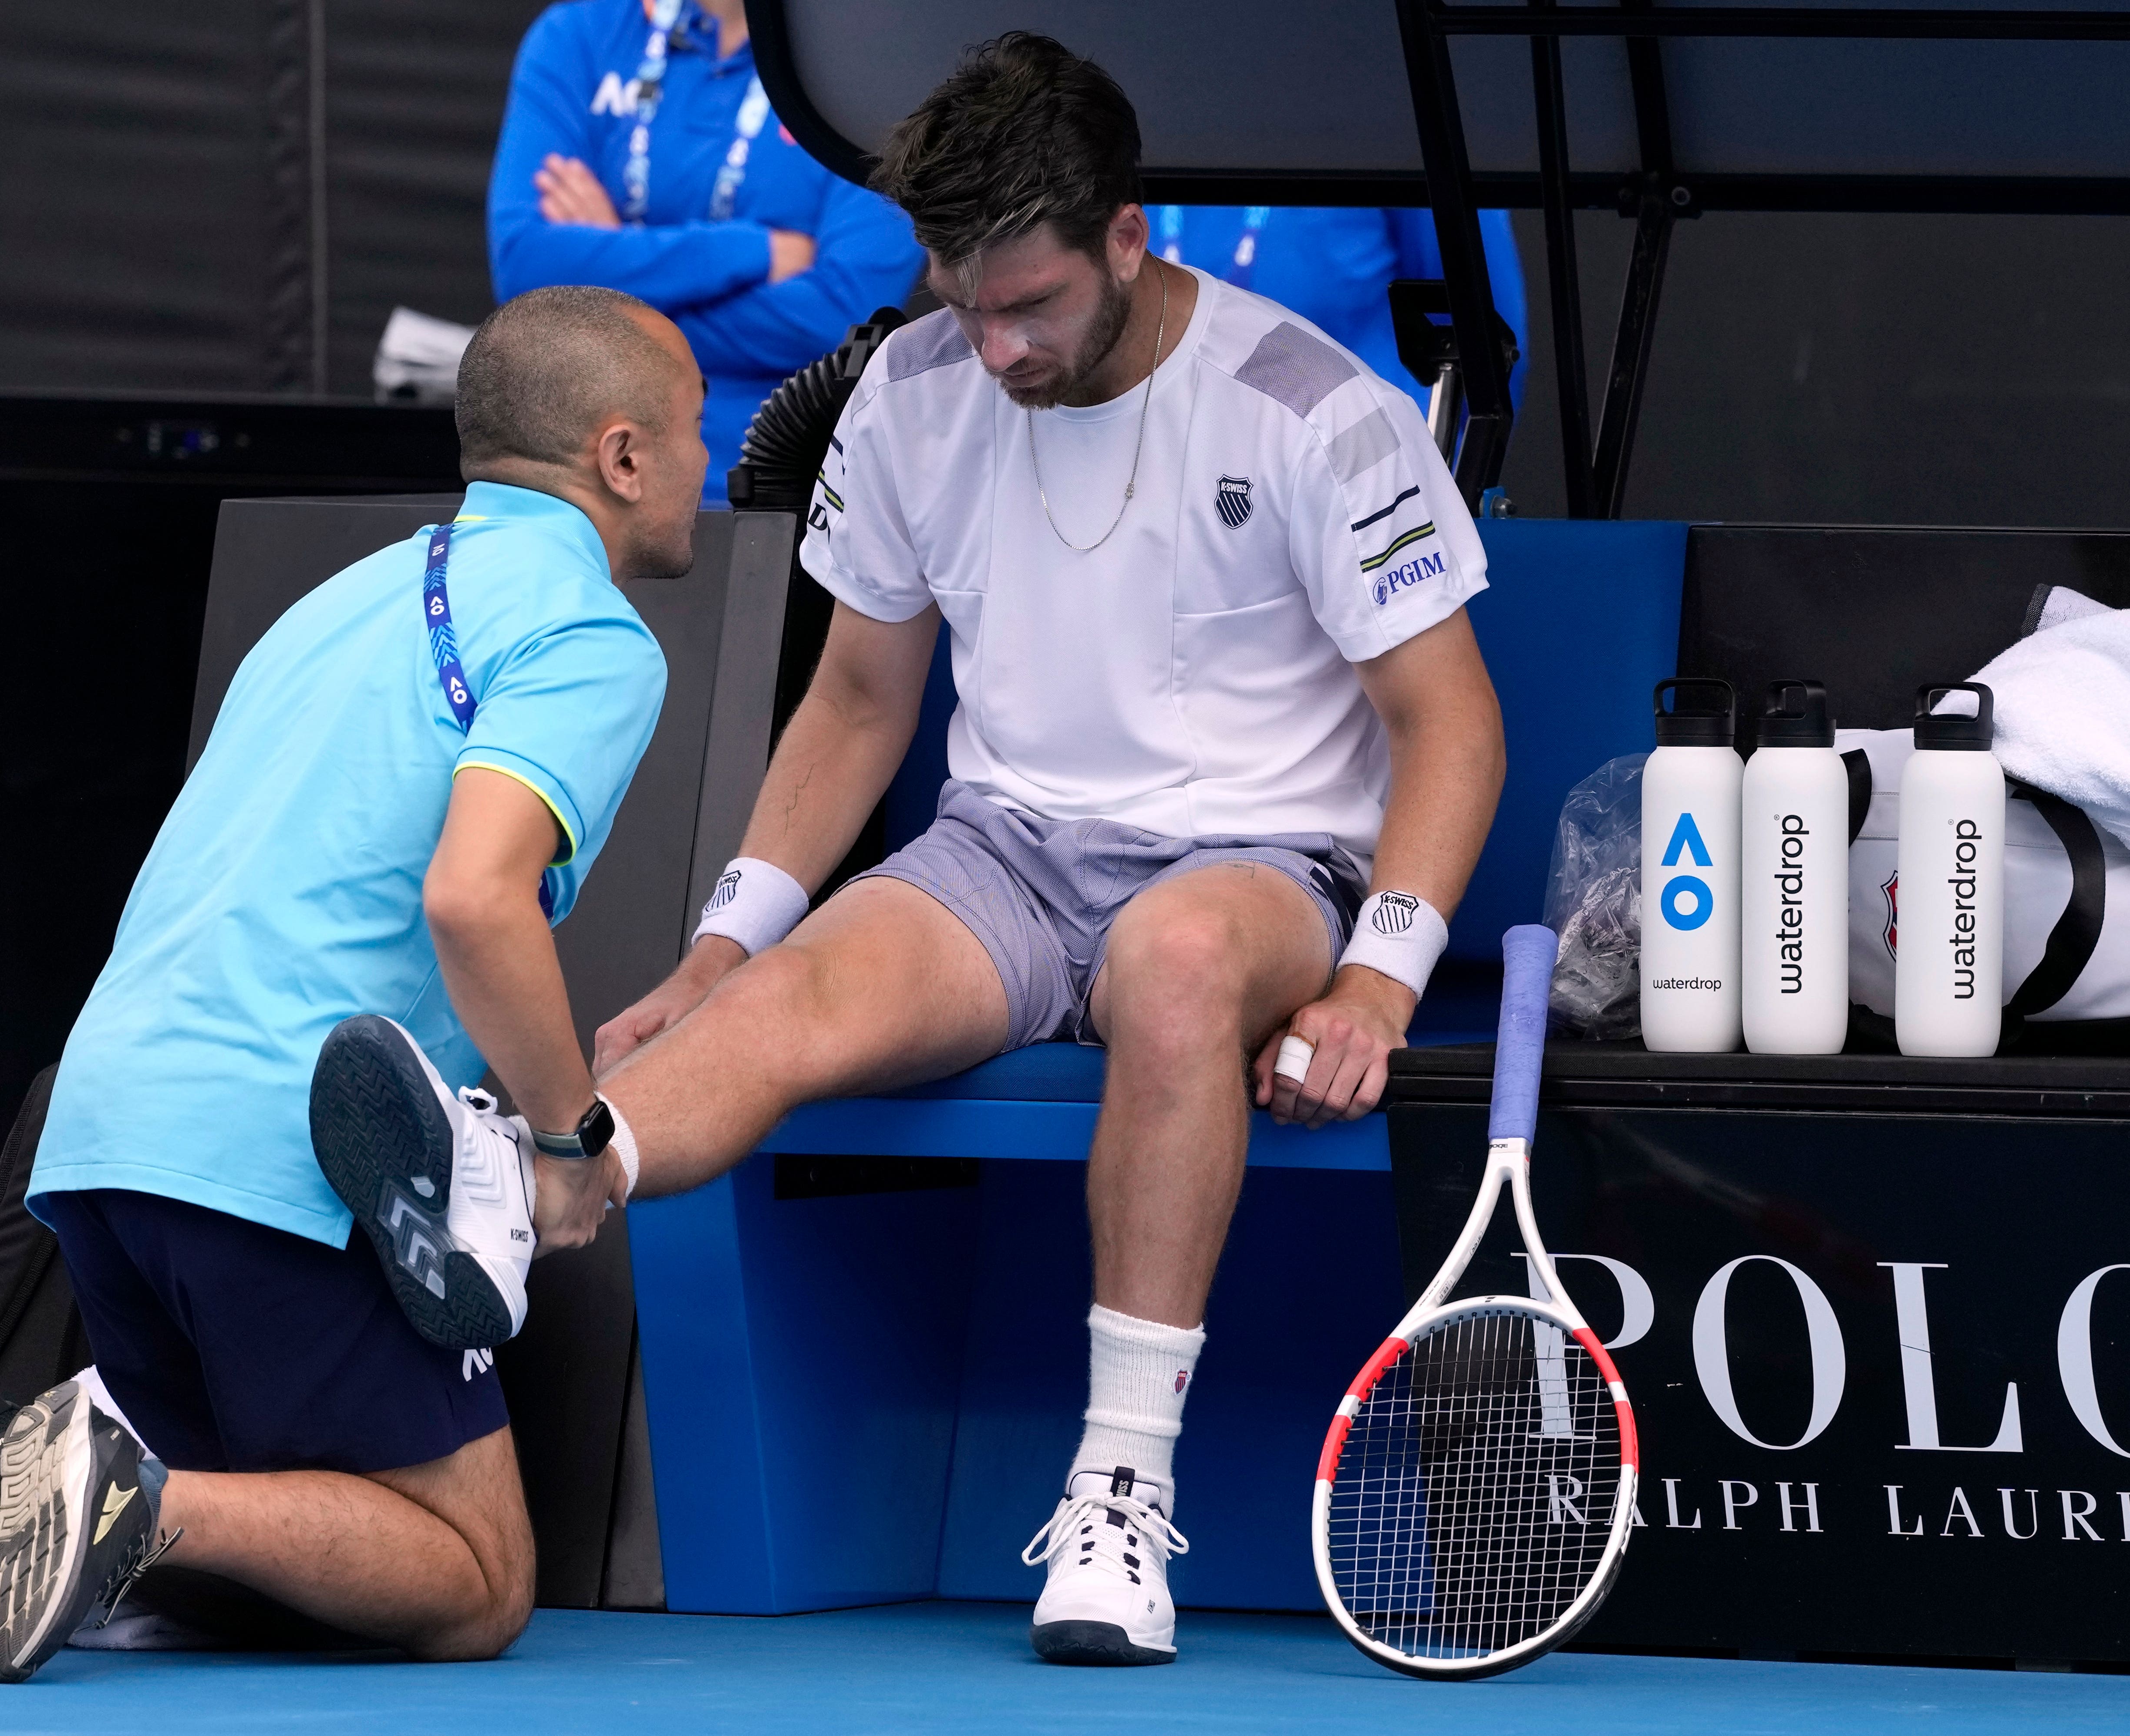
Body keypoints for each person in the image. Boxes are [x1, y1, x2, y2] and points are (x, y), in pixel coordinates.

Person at [326, 32, 1508, 1670]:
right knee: (787, 1001)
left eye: (1028, 303)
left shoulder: (1311, 407)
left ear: (1124, 237)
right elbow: (857, 702)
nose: (997, 344)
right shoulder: (912, 384)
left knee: (1169, 964)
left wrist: (1379, 977)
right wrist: (722, 949)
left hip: (1255, 868)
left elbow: (1449, 723)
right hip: (1005, 857)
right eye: (963, 300)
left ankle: (1114, 1487)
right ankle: (531, 1196)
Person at [0, 285, 700, 1680]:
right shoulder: (589, 634)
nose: (717, 455)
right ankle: (121, 1479)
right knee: (473, 1583)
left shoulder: (336, 601)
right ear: (623, 456)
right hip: (286, 1160)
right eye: (698, 428)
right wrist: (570, 1142)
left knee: (287, 1562)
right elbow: (471, 895)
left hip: (98, 1145)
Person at [489, 0, 923, 503]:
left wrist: (603, 284)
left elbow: (843, 316)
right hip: (574, 489)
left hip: (775, 497)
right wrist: (753, 250)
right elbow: (525, 269)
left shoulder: (870, 60)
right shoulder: (579, 34)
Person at [1143, 204, 1530, 414]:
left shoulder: (1387, 101)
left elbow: (1487, 346)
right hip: (1175, 481)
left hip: (1369, 488)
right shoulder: (1142, 117)